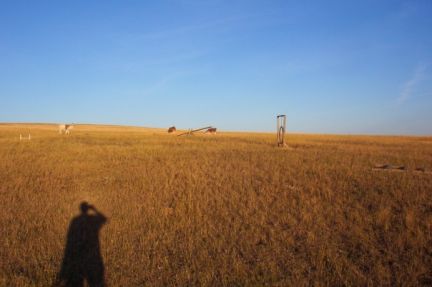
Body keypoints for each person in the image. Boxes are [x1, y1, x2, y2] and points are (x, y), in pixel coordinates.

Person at [56, 202, 107, 287]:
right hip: (92, 256)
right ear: (88, 209)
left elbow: (70, 239)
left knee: (77, 282)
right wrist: (94, 209)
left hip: (78, 255)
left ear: (80, 209)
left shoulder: (75, 221)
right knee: (95, 283)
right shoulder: (92, 219)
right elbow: (104, 219)